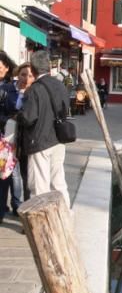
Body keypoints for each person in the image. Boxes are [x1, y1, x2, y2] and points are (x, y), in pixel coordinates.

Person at [17, 51, 71, 208]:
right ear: (48, 67)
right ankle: (65, 216)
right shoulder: (60, 85)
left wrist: (17, 115)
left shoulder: (35, 89)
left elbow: (28, 118)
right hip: (59, 140)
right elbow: (66, 110)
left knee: (39, 187)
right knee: (58, 183)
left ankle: (42, 227)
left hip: (39, 141)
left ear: (33, 70)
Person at [11, 63, 35, 213]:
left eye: (30, 75)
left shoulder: (35, 93)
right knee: (9, 176)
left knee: (27, 179)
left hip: (26, 142)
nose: (26, 78)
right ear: (17, 74)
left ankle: (25, 212)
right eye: (23, 74)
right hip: (8, 141)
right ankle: (11, 206)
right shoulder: (8, 89)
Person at [0, 52, 17, 223]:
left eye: (1, 66)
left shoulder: (11, 88)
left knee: (3, 176)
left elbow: (13, 113)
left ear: (7, 67)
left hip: (3, 139)